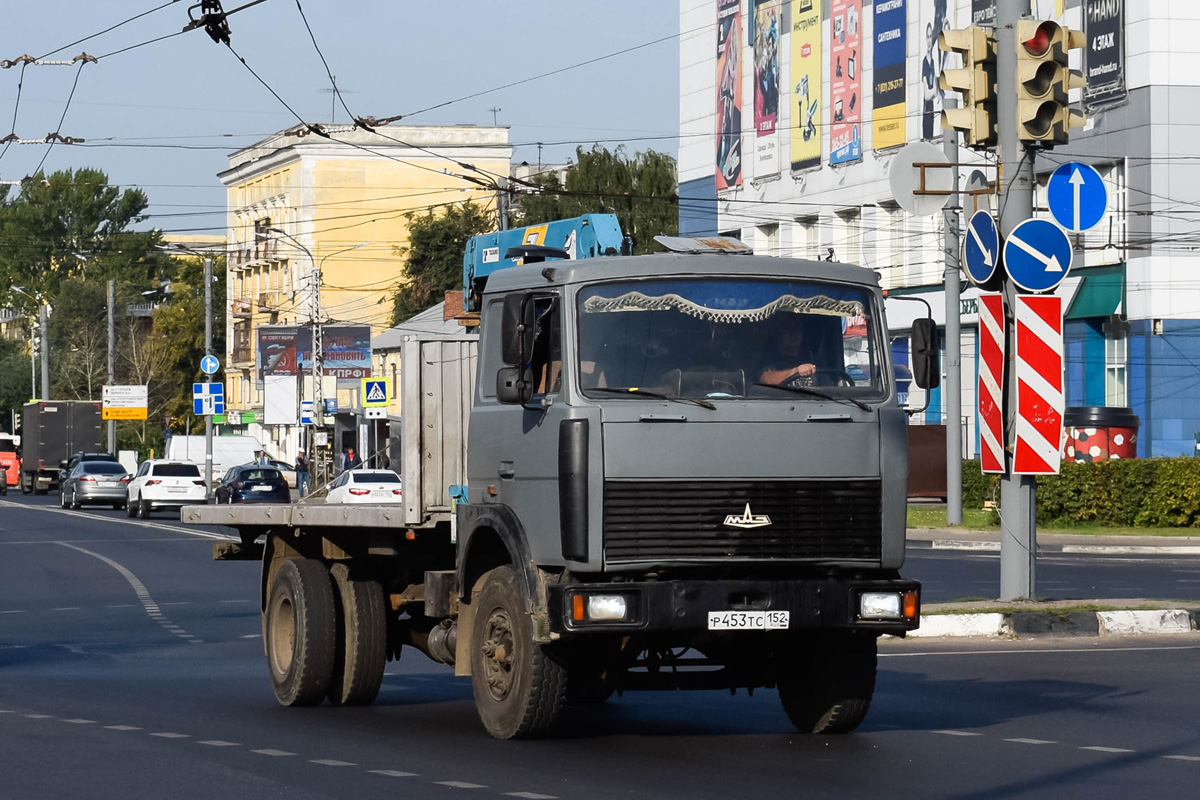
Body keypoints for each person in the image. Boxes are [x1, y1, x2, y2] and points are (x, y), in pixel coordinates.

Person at [758, 314, 819, 388]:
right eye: (788, 329)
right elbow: (765, 379)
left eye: (797, 328)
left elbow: (829, 385)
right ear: (777, 334)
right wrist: (795, 371)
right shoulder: (767, 359)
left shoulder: (813, 359)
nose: (794, 333)